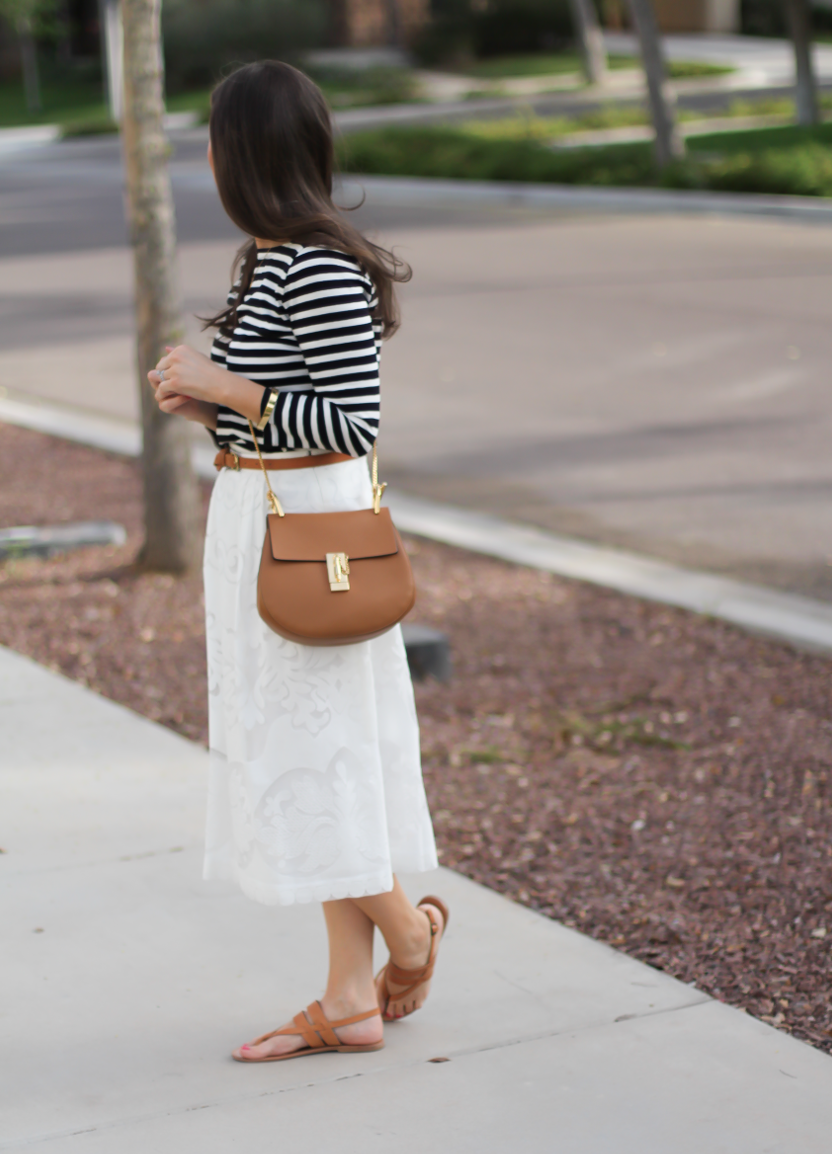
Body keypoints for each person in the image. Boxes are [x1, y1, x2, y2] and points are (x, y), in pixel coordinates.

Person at [148, 60, 447, 1063]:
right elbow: (280, 412)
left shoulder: (315, 264)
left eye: (215, 137)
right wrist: (209, 407)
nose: (204, 152)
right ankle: (350, 994)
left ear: (247, 155)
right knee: (309, 747)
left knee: (307, 754)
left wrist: (228, 387)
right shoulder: (271, 259)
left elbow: (351, 421)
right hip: (271, 517)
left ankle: (406, 934)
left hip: (312, 539)